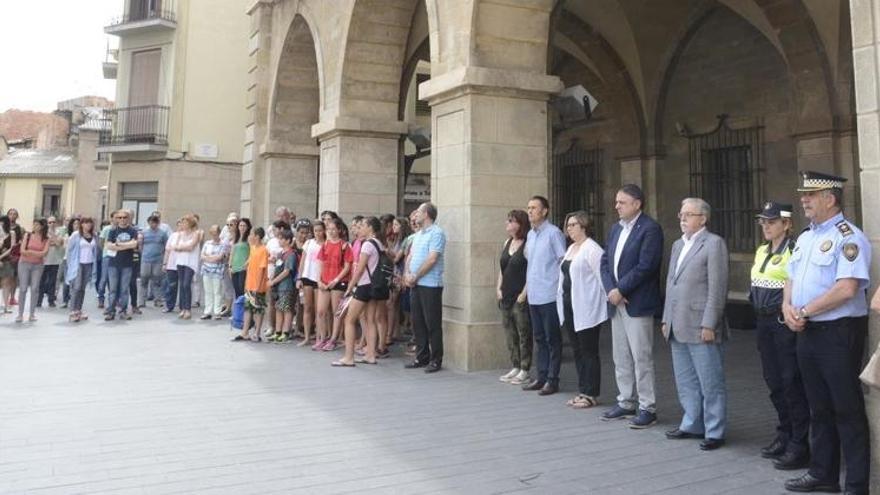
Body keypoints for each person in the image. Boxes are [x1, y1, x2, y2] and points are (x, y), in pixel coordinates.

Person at [782, 172, 871, 495]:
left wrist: (804, 311)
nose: (803, 199)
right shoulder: (806, 237)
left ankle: (857, 485)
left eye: (810, 195)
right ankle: (823, 474)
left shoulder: (849, 237)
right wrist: (787, 308)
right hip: (807, 330)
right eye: (803, 194)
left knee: (846, 408)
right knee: (817, 406)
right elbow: (790, 276)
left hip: (837, 332)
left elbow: (847, 289)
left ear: (830, 199)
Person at [661, 197, 729, 451]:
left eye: (688, 214)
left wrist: (710, 323)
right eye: (681, 214)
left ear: (703, 218)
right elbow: (671, 283)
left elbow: (717, 287)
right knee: (686, 379)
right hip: (677, 323)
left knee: (710, 381)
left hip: (701, 324)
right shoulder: (678, 245)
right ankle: (692, 423)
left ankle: (715, 430)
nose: (682, 218)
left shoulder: (713, 244)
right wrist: (666, 317)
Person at [748, 201, 811, 470]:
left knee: (791, 382)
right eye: (763, 221)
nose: (766, 226)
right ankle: (784, 433)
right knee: (773, 381)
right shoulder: (762, 249)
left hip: (782, 322)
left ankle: (799, 443)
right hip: (763, 323)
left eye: (772, 222)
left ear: (787, 224)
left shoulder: (794, 249)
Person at [599, 184, 664, 428]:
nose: (616, 206)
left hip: (637, 302)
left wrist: (621, 289)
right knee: (621, 355)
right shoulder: (615, 229)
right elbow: (605, 262)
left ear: (637, 204)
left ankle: (648, 407)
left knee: (641, 357)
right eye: (616, 202)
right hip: (616, 302)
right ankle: (626, 401)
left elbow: (646, 266)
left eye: (621, 202)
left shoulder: (650, 229)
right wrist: (610, 290)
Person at [557, 211, 607, 408]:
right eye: (568, 225)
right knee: (577, 350)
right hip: (570, 306)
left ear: (584, 226)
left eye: (573, 225)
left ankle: (591, 393)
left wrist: (604, 305)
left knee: (589, 351)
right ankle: (583, 390)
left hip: (587, 307)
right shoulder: (571, 249)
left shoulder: (592, 249)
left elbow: (602, 279)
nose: (569, 228)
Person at [521, 195, 566, 394]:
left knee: (552, 339)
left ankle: (552, 379)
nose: (530, 211)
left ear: (544, 211)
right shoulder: (530, 235)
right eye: (528, 207)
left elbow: (563, 261)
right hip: (534, 295)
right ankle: (541, 376)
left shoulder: (553, 233)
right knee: (538, 337)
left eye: (534, 208)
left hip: (550, 294)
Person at [333, 216, 384, 367]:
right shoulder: (379, 243)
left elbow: (360, 268)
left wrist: (350, 286)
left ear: (370, 227)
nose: (360, 228)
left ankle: (349, 357)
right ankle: (370, 355)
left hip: (364, 285)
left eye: (363, 225)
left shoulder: (367, 244)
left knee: (349, 319)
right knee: (370, 320)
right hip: (374, 285)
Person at [403, 202, 447, 373]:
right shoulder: (419, 234)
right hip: (416, 283)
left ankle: (436, 359)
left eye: (418, 212)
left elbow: (432, 259)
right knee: (417, 322)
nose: (415, 215)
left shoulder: (437, 233)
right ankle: (422, 357)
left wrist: (416, 276)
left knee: (432, 323)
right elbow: (410, 256)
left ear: (427, 214)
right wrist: (407, 273)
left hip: (430, 285)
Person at [496, 209, 532, 385]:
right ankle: (515, 365)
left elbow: (531, 271)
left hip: (520, 295)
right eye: (507, 220)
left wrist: (524, 293)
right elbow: (502, 268)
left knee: (523, 332)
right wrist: (498, 288)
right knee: (510, 332)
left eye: (511, 221)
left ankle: (525, 368)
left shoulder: (527, 244)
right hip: (506, 295)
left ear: (520, 224)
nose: (507, 224)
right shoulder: (507, 242)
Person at [315, 217, 352, 351]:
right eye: (329, 229)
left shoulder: (344, 246)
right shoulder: (325, 244)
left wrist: (335, 280)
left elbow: (347, 266)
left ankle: (333, 339)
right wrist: (319, 280)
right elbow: (320, 262)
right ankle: (322, 337)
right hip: (324, 280)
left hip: (338, 281)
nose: (330, 232)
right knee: (320, 311)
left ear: (339, 230)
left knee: (336, 312)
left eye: (333, 229)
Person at [233, 227, 269, 342]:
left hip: (258, 286)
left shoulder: (264, 250)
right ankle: (245, 332)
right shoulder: (253, 248)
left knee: (258, 309)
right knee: (248, 308)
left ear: (257, 236)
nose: (250, 236)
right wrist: (245, 264)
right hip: (249, 284)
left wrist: (258, 287)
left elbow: (262, 269)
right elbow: (250, 259)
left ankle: (257, 333)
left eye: (252, 234)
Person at [104, 210, 140, 321]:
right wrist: (126, 245)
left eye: (124, 217)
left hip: (127, 264)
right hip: (113, 264)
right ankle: (111, 311)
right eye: (120, 217)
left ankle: (123, 311)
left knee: (124, 290)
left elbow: (134, 244)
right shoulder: (113, 231)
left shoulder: (133, 231)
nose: (122, 219)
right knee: (113, 290)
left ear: (128, 218)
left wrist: (119, 244)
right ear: (117, 219)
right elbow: (109, 246)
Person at [16, 218, 50, 323]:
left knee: (35, 288)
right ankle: (20, 314)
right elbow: (22, 251)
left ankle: (32, 314)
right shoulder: (28, 235)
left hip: (38, 266)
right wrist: (36, 253)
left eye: (37, 225)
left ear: (42, 226)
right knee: (23, 288)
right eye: (34, 224)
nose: (35, 227)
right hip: (24, 264)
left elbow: (44, 253)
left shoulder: (46, 239)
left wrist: (30, 251)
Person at [297, 219, 325, 347]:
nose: (318, 233)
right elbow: (302, 261)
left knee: (318, 309)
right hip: (307, 276)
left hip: (320, 278)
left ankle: (319, 337)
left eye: (320, 230)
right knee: (307, 307)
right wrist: (299, 278)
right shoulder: (309, 243)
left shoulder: (326, 244)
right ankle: (307, 336)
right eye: (315, 231)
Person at [65, 218, 97, 322]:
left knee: (83, 288)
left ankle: (79, 309)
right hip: (77, 264)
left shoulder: (93, 236)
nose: (88, 225)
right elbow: (69, 250)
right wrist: (70, 264)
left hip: (88, 264)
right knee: (76, 287)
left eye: (90, 223)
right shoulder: (76, 235)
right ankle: (72, 311)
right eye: (86, 223)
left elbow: (94, 251)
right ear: (82, 225)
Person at [267, 229, 297, 342]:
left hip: (286, 286)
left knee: (287, 309)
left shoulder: (291, 254)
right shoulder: (281, 254)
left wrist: (274, 281)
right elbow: (277, 268)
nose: (279, 240)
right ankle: (278, 331)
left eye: (282, 239)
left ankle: (286, 332)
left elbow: (287, 271)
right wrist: (272, 278)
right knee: (278, 308)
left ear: (288, 240)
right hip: (278, 286)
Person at [173, 215, 201, 320]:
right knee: (182, 285)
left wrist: (181, 248)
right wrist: (181, 248)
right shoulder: (180, 234)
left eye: (184, 222)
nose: (182, 224)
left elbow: (191, 247)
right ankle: (183, 308)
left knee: (186, 284)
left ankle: (188, 309)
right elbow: (174, 247)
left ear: (190, 223)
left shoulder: (196, 234)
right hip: (180, 261)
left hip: (190, 262)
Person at [138, 215, 168, 308]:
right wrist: (143, 253)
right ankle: (142, 301)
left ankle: (157, 300)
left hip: (158, 260)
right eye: (151, 222)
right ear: (148, 222)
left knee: (157, 280)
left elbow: (166, 246)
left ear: (158, 223)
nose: (153, 224)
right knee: (144, 279)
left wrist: (163, 258)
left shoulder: (162, 234)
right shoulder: (144, 233)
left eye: (155, 222)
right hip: (146, 260)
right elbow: (140, 245)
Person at [200, 225, 229, 320]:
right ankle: (207, 311)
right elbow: (202, 256)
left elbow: (219, 257)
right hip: (206, 270)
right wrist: (211, 258)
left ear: (219, 233)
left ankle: (217, 312)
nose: (213, 236)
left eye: (215, 234)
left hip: (217, 271)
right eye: (212, 234)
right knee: (208, 291)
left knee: (217, 292)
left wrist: (209, 258)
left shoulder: (223, 244)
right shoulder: (207, 243)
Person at [37, 216, 64, 308]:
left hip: (55, 260)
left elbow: (58, 244)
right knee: (41, 281)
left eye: (53, 222)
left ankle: (51, 300)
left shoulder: (59, 232)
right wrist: (52, 242)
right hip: (44, 260)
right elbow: (42, 244)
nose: (52, 224)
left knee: (53, 281)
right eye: (50, 222)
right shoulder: (43, 232)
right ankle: (38, 301)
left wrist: (52, 237)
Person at [163, 219, 182, 314]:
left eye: (182, 225)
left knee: (183, 286)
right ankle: (169, 305)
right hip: (171, 265)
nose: (181, 227)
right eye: (179, 225)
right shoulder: (173, 236)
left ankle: (183, 306)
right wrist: (164, 263)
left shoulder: (187, 236)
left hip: (183, 265)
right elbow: (167, 250)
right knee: (171, 286)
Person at [96, 214, 116, 309]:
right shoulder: (106, 229)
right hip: (107, 256)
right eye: (116, 217)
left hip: (117, 256)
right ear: (111, 218)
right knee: (104, 278)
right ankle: (101, 298)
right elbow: (100, 242)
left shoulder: (120, 229)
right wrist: (105, 250)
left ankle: (113, 300)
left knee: (113, 280)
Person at [229, 218, 251, 300]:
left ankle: (243, 311)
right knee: (237, 291)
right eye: (240, 225)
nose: (242, 227)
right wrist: (230, 266)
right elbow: (232, 253)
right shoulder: (236, 238)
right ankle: (238, 311)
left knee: (242, 290)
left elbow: (252, 253)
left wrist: (247, 263)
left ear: (248, 227)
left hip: (243, 268)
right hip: (235, 268)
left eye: (244, 226)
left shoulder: (249, 238)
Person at [0, 216, 16, 314]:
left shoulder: (12, 233)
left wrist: (1, 257)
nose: (1, 225)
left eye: (2, 223)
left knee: (6, 284)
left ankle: (6, 306)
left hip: (7, 260)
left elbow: (12, 247)